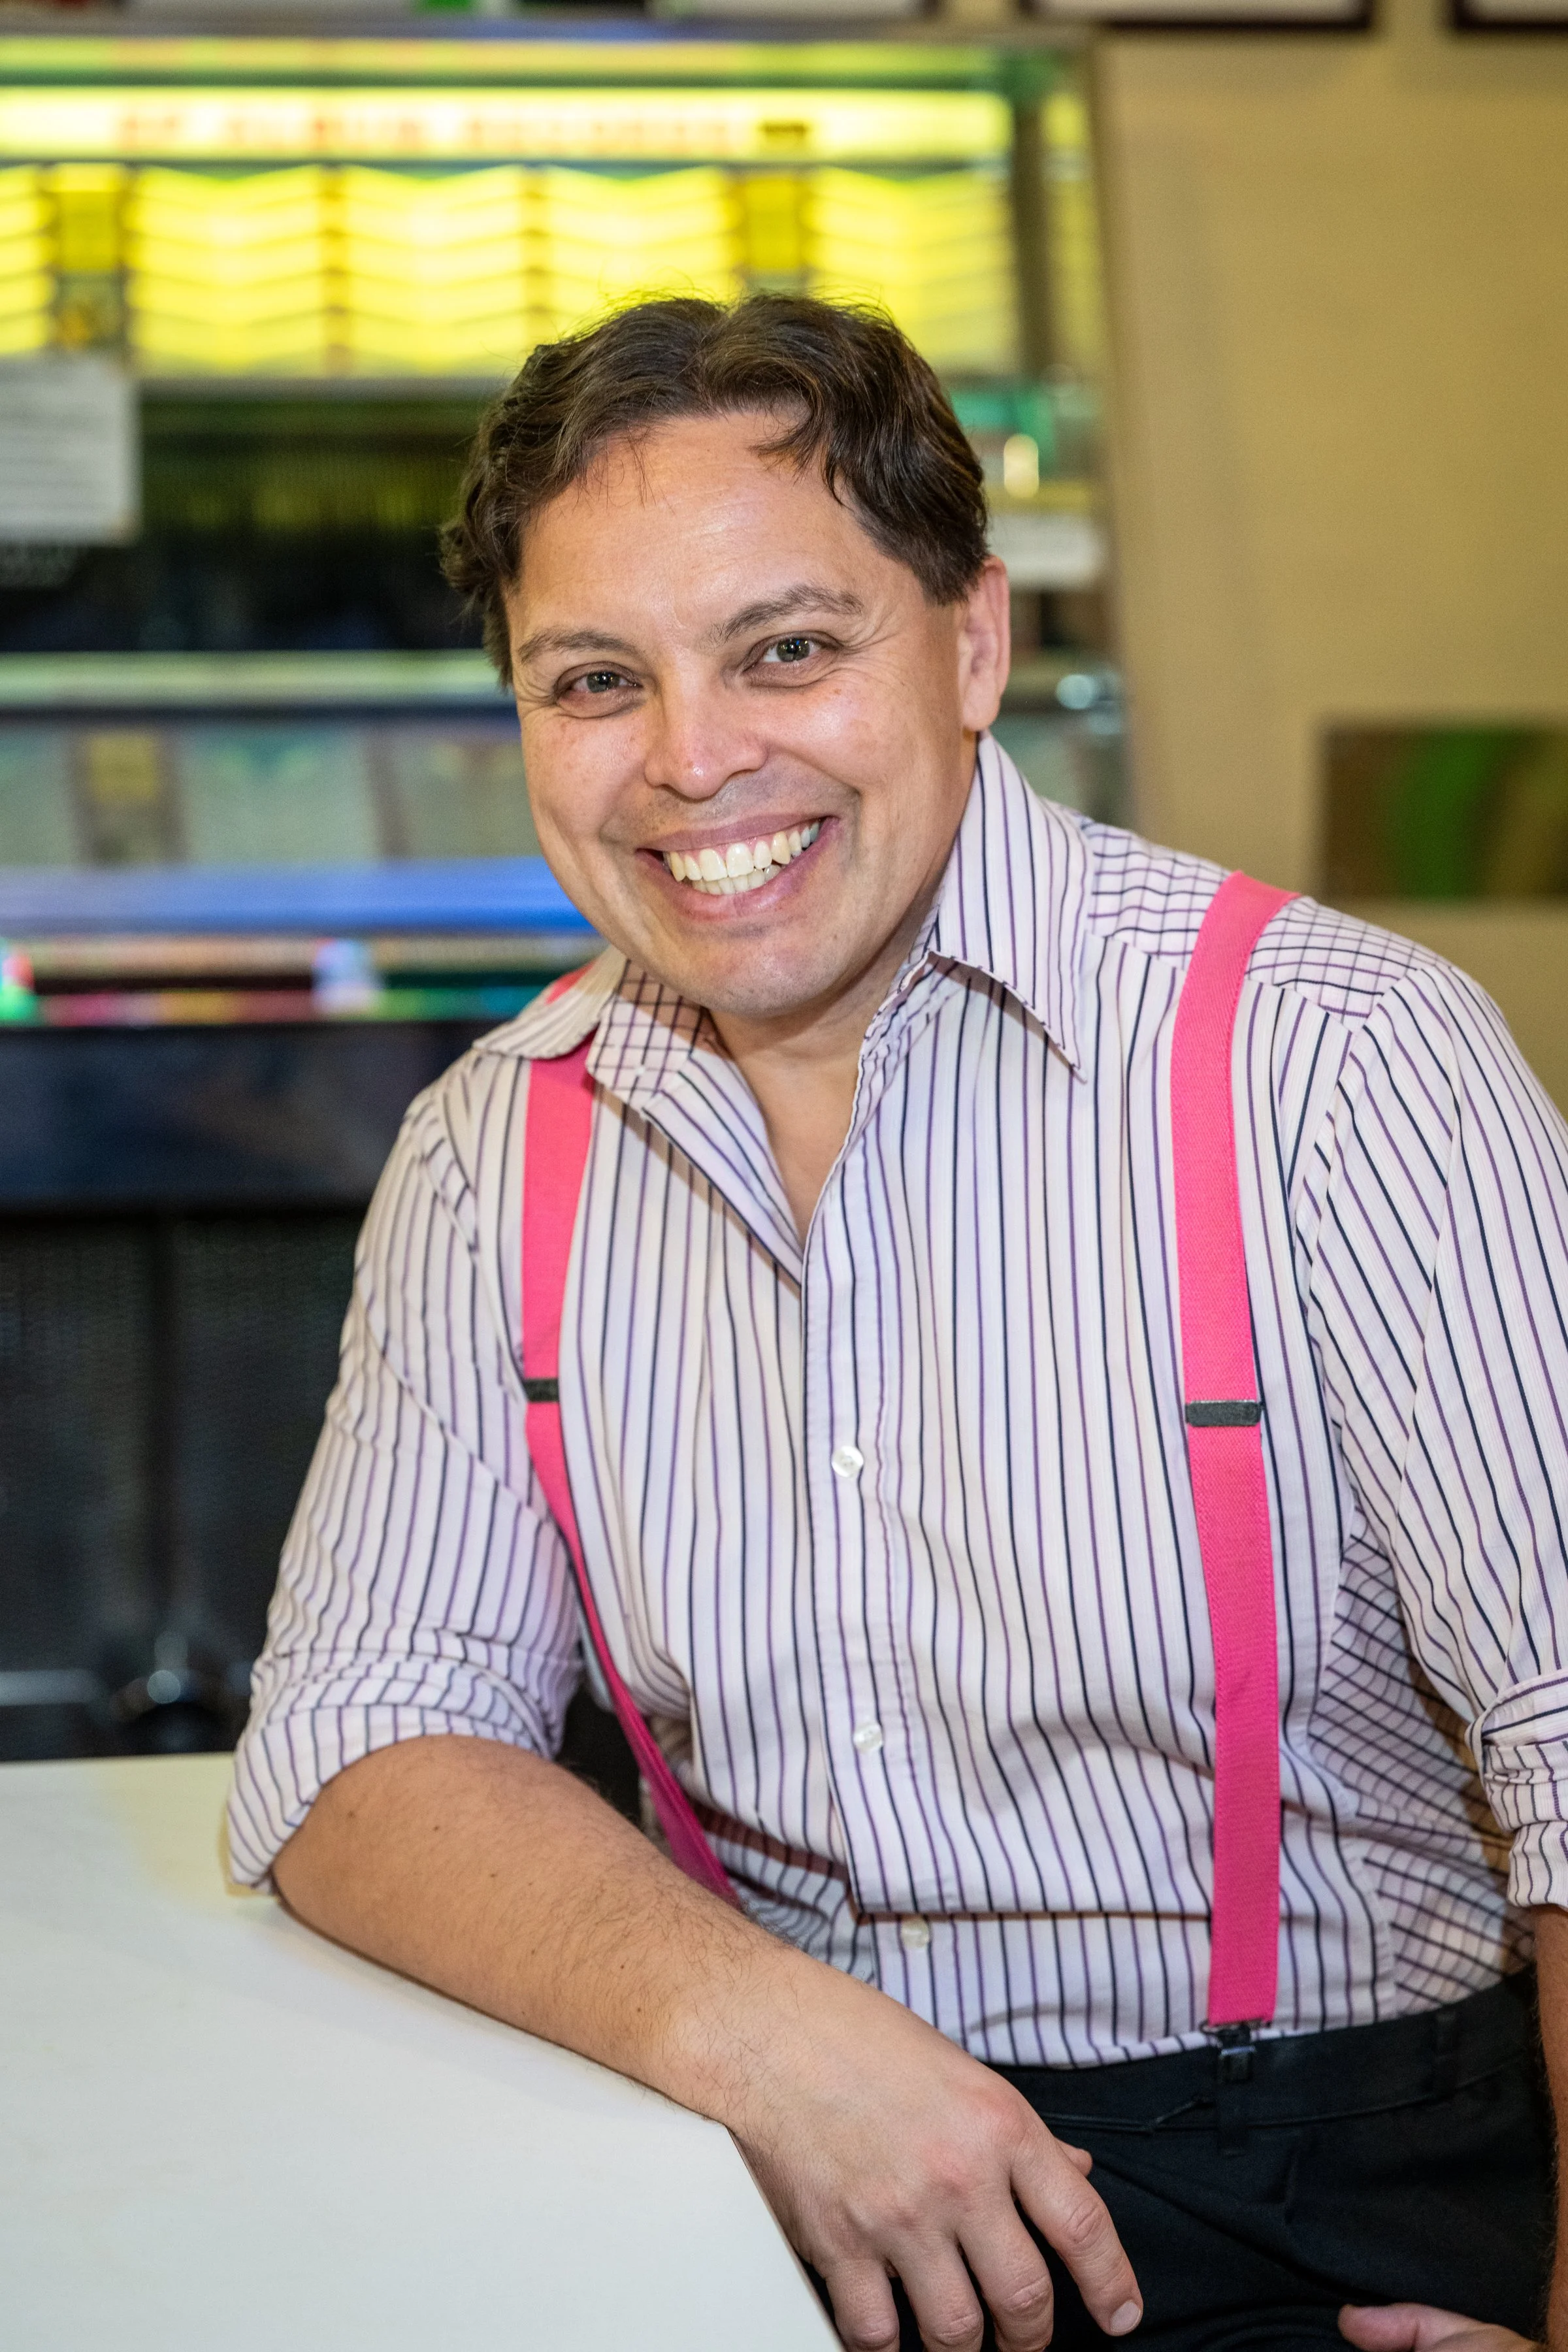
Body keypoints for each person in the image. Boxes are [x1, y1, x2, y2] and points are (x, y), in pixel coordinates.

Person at [228, 297, 1565, 2352]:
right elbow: (358, 1740)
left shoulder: (1334, 1067)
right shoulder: (499, 1148)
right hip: (758, 2139)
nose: (691, 761)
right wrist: (755, 2033)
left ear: (969, 643)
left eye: (788, 646)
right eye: (597, 679)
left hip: (1327, 2184)